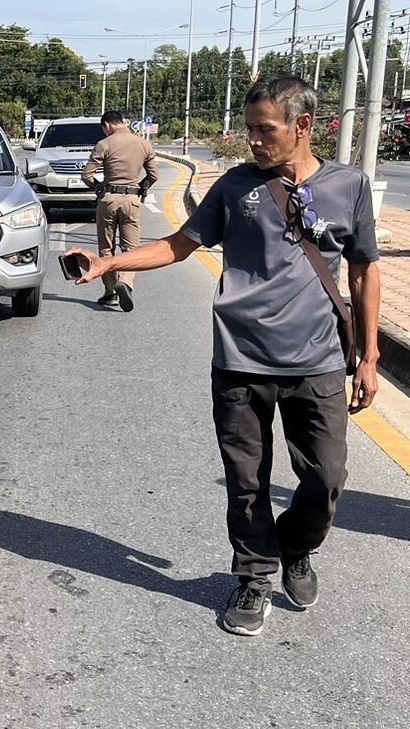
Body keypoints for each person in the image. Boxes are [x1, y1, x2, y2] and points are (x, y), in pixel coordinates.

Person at [64, 76, 381, 637]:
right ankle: (256, 576)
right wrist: (110, 264)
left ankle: (295, 546)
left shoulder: (348, 186)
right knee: (247, 480)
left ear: (302, 127)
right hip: (240, 358)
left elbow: (362, 268)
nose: (252, 139)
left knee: (326, 479)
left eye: (265, 129)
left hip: (319, 361)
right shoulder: (235, 187)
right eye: (250, 128)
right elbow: (179, 244)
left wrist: (370, 356)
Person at [81, 110, 159, 311]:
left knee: (107, 248)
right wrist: (141, 187)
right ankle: (126, 282)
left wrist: (98, 188)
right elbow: (154, 175)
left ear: (107, 125)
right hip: (132, 200)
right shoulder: (143, 144)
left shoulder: (104, 144)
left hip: (108, 200)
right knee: (131, 248)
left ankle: (110, 293)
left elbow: (87, 175)